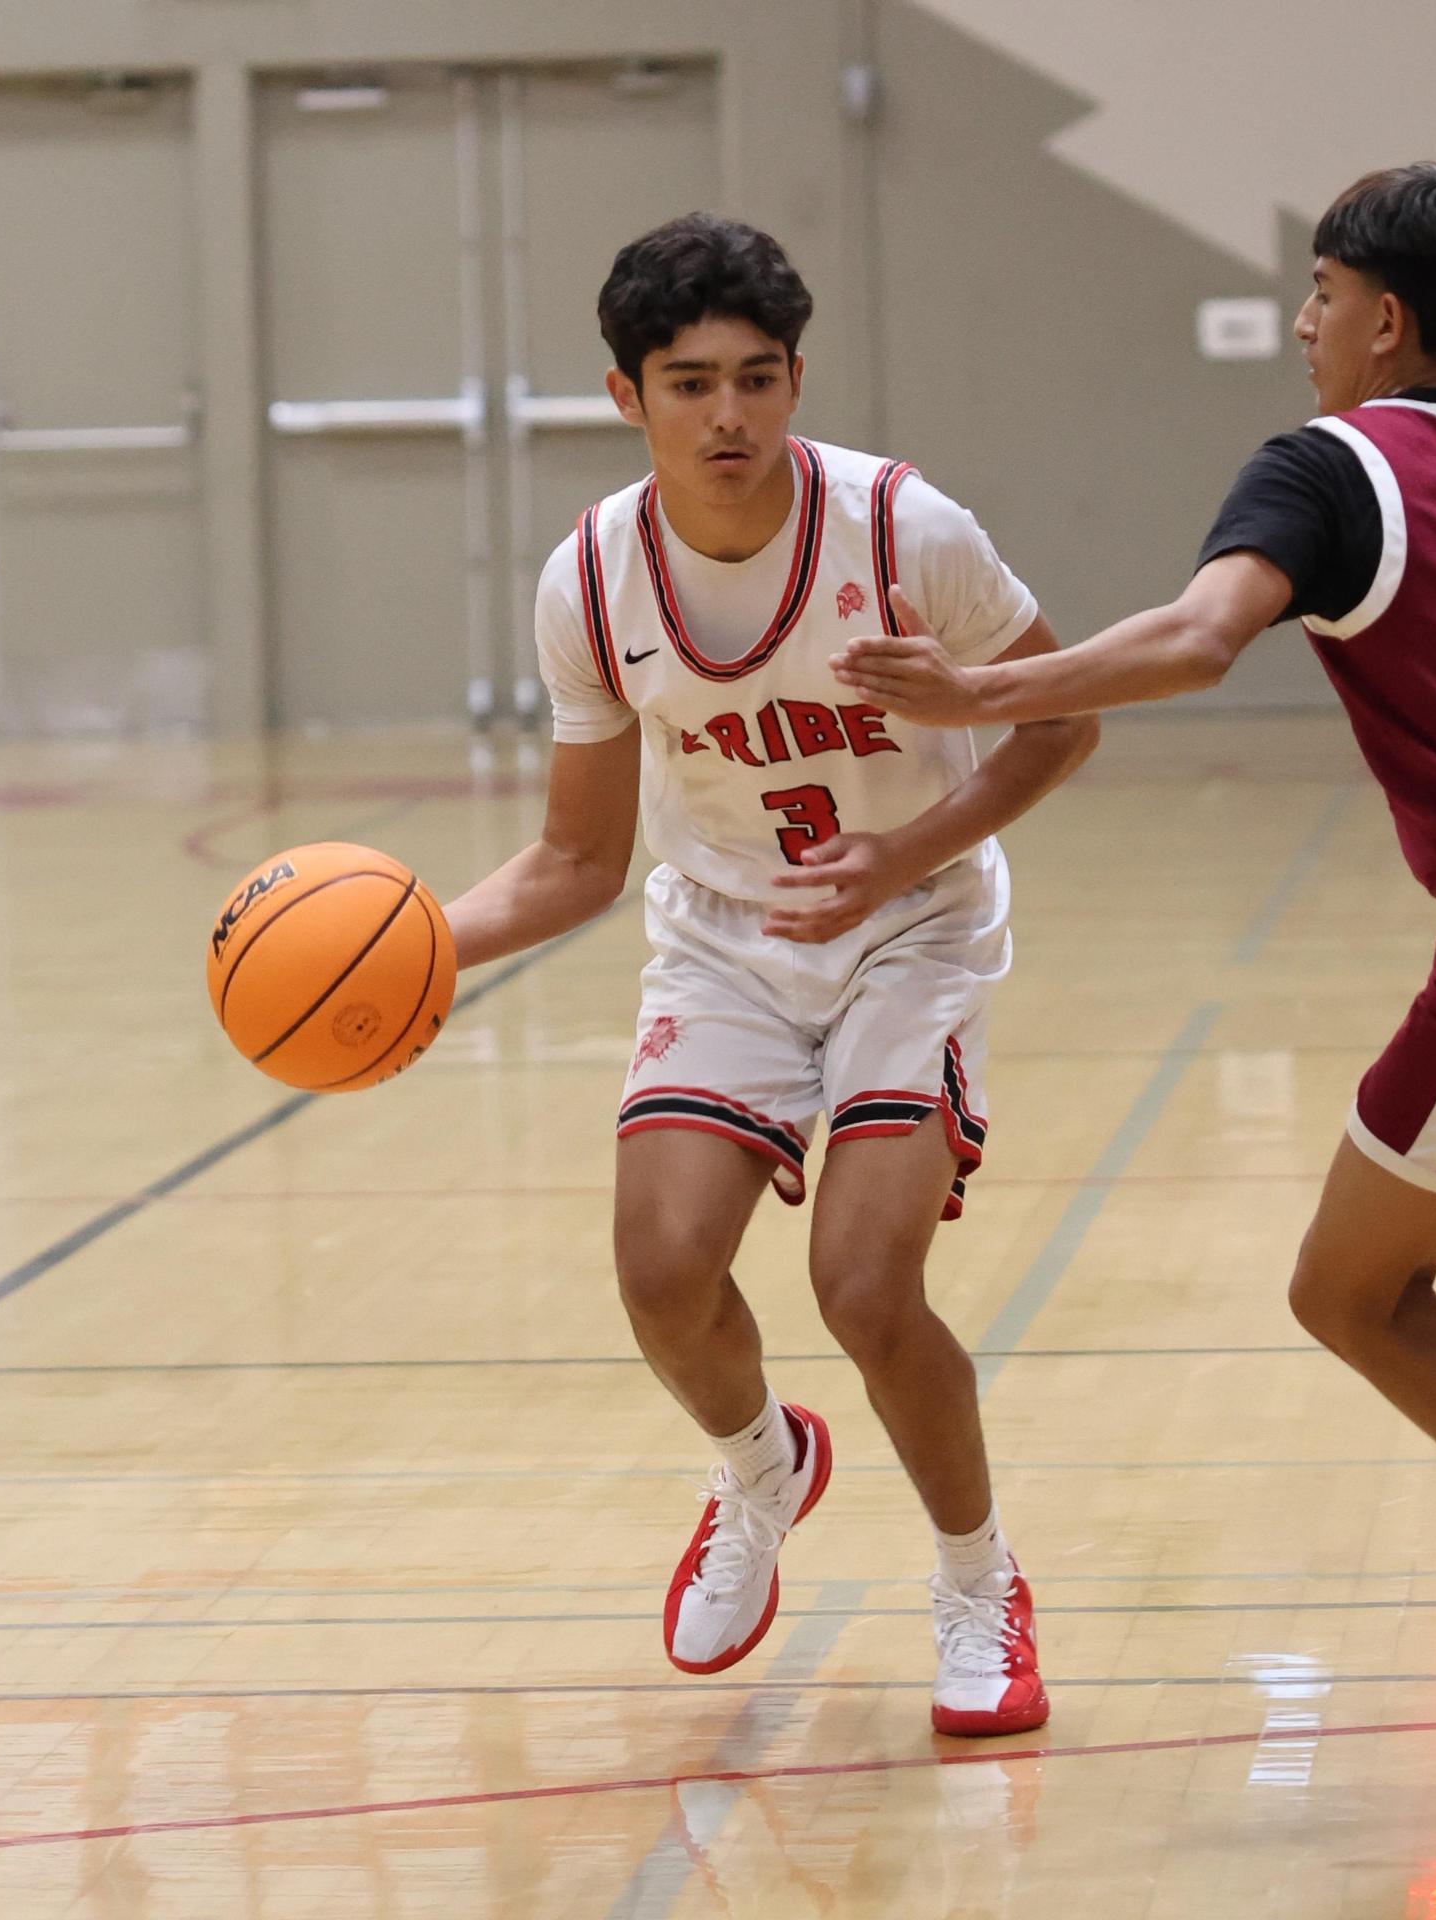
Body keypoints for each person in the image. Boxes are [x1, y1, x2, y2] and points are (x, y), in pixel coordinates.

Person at [834, 163, 1436, 1767]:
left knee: (1352, 1292)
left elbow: (1200, 639)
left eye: (1323, 293)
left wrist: (974, 695)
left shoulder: (1327, 466)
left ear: (1386, 320)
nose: (1304, 324)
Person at [446, 214, 1096, 1735]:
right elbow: (578, 859)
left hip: (912, 924)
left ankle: (978, 1580)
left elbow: (1061, 719)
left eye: (756, 378)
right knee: (662, 1276)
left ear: (797, 378)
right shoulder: (592, 580)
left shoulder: (904, 531)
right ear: (629, 396)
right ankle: (763, 1469)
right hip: (727, 937)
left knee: (864, 1284)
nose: (728, 415)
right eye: (690, 385)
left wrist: (904, 848)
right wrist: (418, 948)